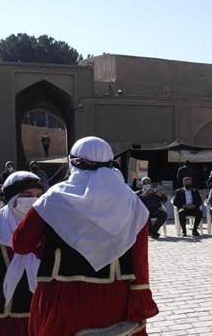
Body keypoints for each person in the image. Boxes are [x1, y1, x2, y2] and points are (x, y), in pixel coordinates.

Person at [11, 136, 159, 335]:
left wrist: (46, 246)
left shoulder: (53, 199)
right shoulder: (130, 201)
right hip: (116, 293)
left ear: (73, 162)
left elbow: (21, 244)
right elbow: (140, 257)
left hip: (63, 294)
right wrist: (139, 297)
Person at [0, 171, 44, 335]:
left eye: (39, 195)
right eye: (27, 195)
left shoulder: (49, 228)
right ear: (12, 198)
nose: (34, 200)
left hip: (40, 316)